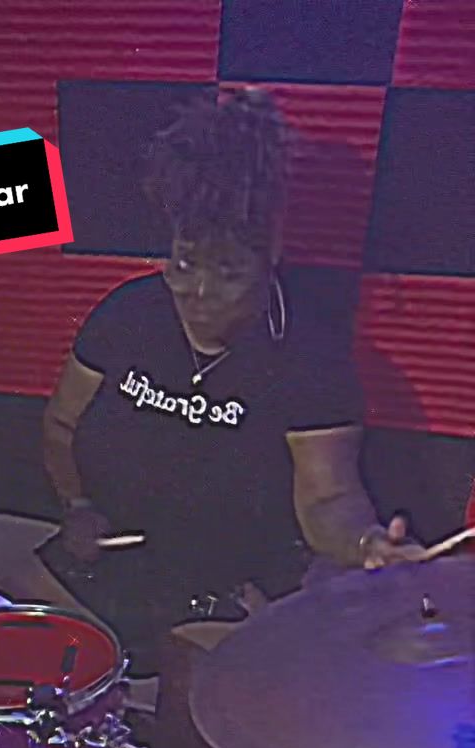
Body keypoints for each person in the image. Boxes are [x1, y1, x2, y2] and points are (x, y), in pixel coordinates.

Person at [42, 89, 421, 675]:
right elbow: (62, 424)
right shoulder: (127, 315)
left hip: (233, 583)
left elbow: (328, 498)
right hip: (120, 560)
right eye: (184, 265)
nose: (199, 293)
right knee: (15, 634)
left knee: (199, 688)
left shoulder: (308, 355)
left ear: (270, 255)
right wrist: (77, 505)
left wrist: (365, 543)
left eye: (228, 273)